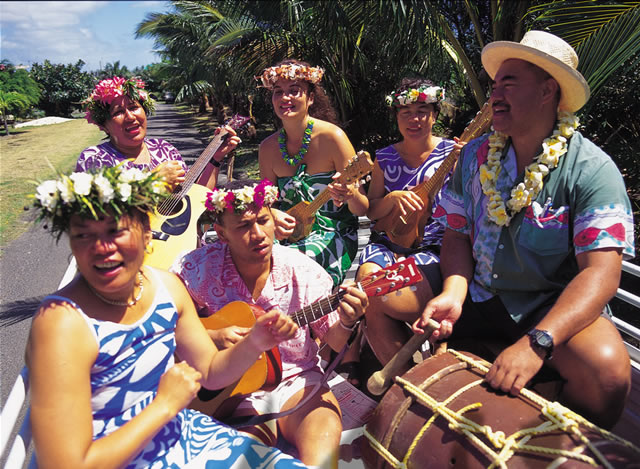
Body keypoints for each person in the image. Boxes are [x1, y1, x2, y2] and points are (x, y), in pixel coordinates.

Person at [413, 30, 634, 430]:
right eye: (495, 85)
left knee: (608, 373)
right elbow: (457, 235)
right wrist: (454, 292)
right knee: (384, 299)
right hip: (477, 293)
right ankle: (427, 419)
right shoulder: (475, 158)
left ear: (548, 91)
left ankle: (554, 448)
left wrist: (538, 343)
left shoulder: (592, 170)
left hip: (547, 309)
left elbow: (601, 272)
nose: (494, 95)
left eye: (509, 84)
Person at [26, 166, 306, 468]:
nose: (101, 249)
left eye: (115, 231)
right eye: (83, 236)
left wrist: (254, 343)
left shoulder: (165, 288)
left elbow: (211, 371)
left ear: (147, 234)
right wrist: (165, 404)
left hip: (175, 434)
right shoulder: (63, 323)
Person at [174, 179, 369, 468]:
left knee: (322, 459)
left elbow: (334, 341)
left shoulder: (303, 270)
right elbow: (161, 320)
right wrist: (212, 335)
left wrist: (349, 322)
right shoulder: (196, 268)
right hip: (231, 390)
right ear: (221, 233)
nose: (258, 235)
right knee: (240, 461)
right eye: (242, 227)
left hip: (298, 381)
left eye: (263, 220)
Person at [352, 78, 460, 381]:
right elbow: (372, 213)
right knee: (366, 283)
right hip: (388, 244)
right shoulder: (385, 157)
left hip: (434, 249)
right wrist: (392, 198)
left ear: (435, 114)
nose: (415, 119)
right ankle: (409, 381)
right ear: (396, 117)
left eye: (423, 110)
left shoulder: (454, 154)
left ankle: (407, 380)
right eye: (406, 112)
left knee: (376, 293)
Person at [256, 60, 368, 287]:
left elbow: (362, 207)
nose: (285, 98)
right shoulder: (267, 148)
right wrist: (274, 215)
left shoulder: (332, 137)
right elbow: (263, 203)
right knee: (250, 257)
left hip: (333, 234)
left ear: (311, 98)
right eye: (278, 92)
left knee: (294, 264)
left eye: (294, 91)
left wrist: (349, 195)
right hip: (287, 234)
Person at [76, 76, 240, 190]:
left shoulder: (164, 149)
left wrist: (215, 157)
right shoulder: (94, 158)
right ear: (103, 126)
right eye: (118, 112)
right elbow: (96, 217)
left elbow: (193, 198)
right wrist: (152, 181)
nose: (130, 117)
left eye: (134, 107)